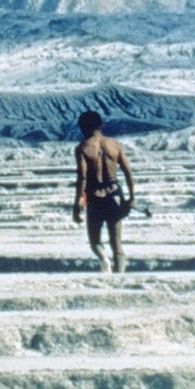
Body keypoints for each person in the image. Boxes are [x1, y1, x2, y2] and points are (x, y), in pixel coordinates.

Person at [73, 111, 135, 273]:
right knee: (117, 245)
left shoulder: (82, 148)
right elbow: (128, 172)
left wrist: (77, 205)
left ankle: (103, 259)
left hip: (94, 198)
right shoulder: (115, 145)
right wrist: (132, 197)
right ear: (101, 126)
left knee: (95, 241)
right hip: (115, 195)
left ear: (83, 127)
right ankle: (119, 276)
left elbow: (82, 178)